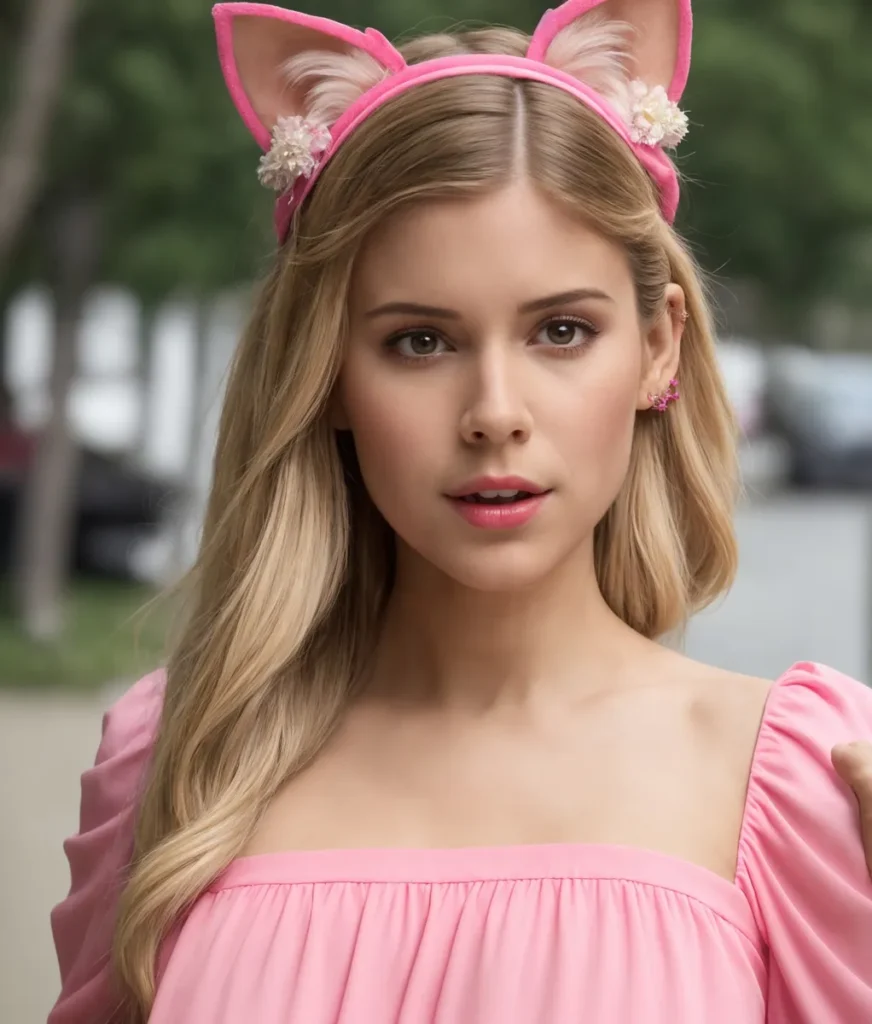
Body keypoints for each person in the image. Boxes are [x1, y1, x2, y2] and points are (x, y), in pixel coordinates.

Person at [47, 2, 872, 1022]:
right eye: (418, 342)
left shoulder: (799, 782)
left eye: (560, 330)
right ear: (327, 373)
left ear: (656, 347)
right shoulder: (177, 757)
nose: (493, 414)